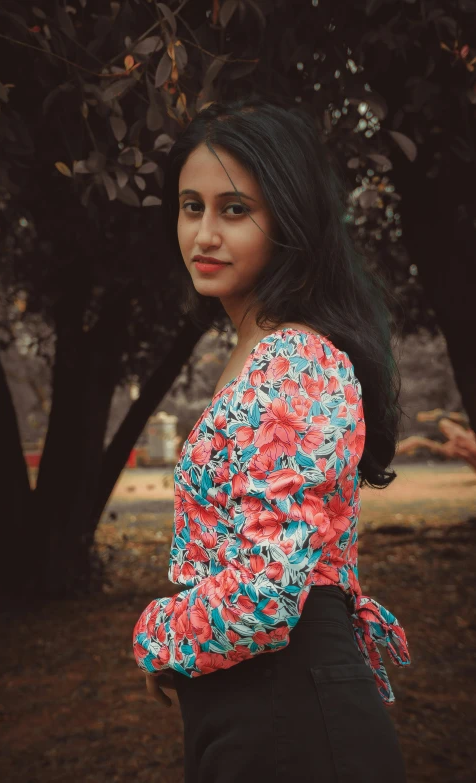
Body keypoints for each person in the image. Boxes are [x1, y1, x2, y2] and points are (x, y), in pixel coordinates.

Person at [133, 96, 410, 783]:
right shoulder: (256, 352)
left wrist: (157, 636)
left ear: (289, 220)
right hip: (249, 712)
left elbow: (265, 592)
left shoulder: (297, 360)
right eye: (190, 205)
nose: (203, 234)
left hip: (294, 719)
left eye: (234, 210)